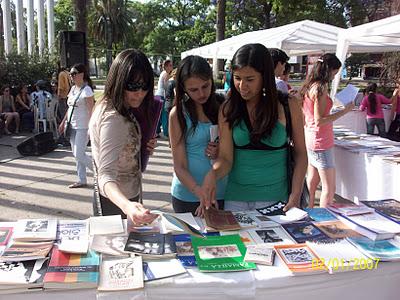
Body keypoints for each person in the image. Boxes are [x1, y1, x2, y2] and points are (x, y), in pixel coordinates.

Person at [201, 43, 307, 212]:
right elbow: (226, 159)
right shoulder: (228, 109)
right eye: (237, 78)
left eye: (250, 79)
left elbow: (301, 154)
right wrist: (213, 174)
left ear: (265, 76)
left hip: (277, 199)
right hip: (236, 198)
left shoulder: (288, 105)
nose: (242, 86)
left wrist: (295, 195)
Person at [89, 49, 158, 225]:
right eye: (133, 86)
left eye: (145, 86)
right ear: (119, 81)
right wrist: (126, 206)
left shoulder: (111, 104)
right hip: (116, 202)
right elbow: (105, 175)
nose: (140, 93)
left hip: (122, 198)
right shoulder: (113, 117)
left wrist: (138, 146)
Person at [169, 55, 226, 216]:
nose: (201, 94)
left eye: (205, 86)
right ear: (183, 88)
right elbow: (179, 166)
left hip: (221, 192)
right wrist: (200, 192)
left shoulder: (223, 106)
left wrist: (220, 150)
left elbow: (232, 149)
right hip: (188, 196)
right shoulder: (178, 114)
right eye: (193, 89)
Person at [300, 54, 354, 208]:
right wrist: (345, 111)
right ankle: (324, 218)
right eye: (334, 73)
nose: (334, 77)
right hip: (321, 140)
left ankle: (310, 210)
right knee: (329, 188)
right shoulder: (320, 88)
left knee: (313, 180)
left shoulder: (310, 85)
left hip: (310, 137)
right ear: (329, 70)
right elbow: (320, 120)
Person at [59, 64, 94, 189]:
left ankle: (100, 174)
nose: (71, 76)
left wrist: (91, 128)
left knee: (79, 153)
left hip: (83, 126)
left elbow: (91, 110)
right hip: (71, 125)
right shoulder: (73, 89)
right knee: (76, 154)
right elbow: (70, 107)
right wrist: (63, 122)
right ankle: (81, 179)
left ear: (81, 74)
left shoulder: (87, 90)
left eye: (73, 74)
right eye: (70, 74)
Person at [155, 59, 173, 137]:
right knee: (165, 115)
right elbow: (167, 87)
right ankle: (167, 133)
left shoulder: (163, 73)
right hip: (163, 96)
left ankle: (156, 131)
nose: (172, 67)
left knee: (158, 115)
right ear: (166, 66)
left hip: (158, 95)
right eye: (170, 65)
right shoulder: (166, 74)